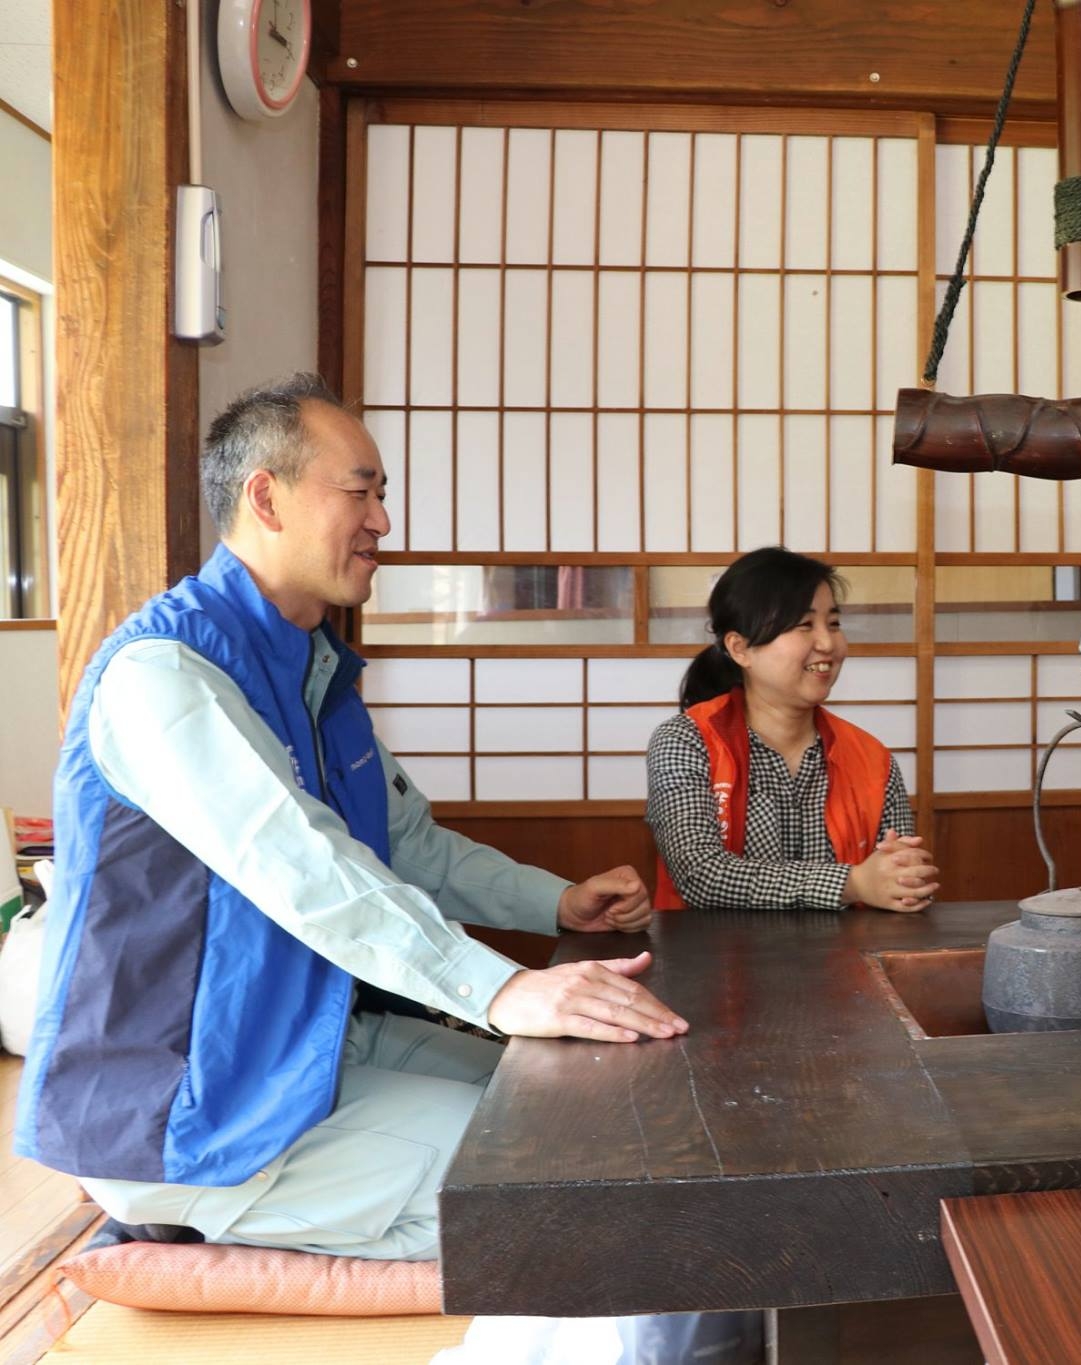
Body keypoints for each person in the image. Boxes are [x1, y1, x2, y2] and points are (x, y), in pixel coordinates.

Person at [15, 374, 689, 1261]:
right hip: (181, 1100)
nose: (382, 521)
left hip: (315, 1041)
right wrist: (498, 988)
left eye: (383, 495)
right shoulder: (163, 675)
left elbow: (406, 845)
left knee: (576, 1094)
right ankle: (180, 1227)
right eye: (361, 490)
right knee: (554, 1169)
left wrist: (557, 905)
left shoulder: (314, 670)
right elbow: (303, 866)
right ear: (267, 496)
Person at [646, 546, 939, 912]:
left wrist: (905, 880)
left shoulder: (871, 757)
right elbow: (700, 874)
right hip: (715, 963)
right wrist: (852, 883)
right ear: (740, 648)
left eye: (833, 623)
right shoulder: (687, 741)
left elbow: (901, 881)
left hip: (846, 963)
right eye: (804, 625)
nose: (828, 643)